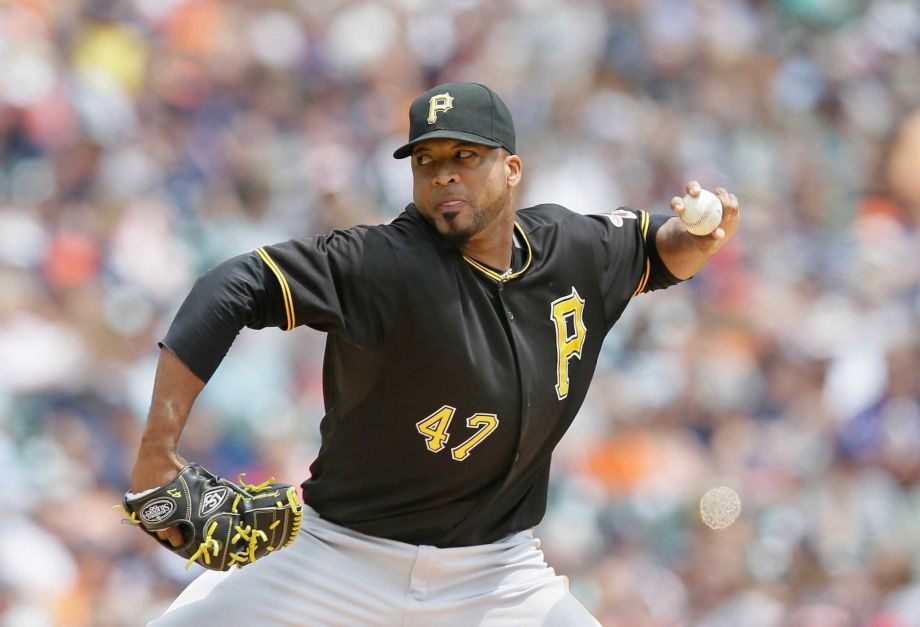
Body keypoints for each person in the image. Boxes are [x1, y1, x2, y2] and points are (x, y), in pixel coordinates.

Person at [130, 81, 740, 625]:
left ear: (512, 168)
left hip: (496, 576)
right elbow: (231, 287)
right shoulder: (383, 264)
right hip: (338, 557)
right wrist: (158, 449)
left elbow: (659, 251)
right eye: (427, 161)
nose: (443, 175)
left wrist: (697, 237)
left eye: (464, 157)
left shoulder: (571, 248)